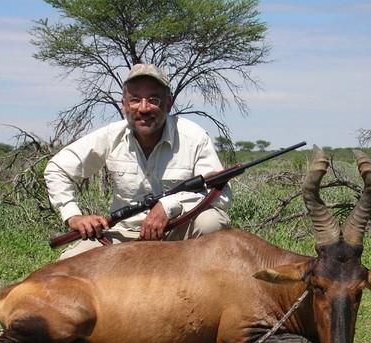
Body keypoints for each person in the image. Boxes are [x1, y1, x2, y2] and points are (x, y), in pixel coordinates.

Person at [44, 63, 232, 259]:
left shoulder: (194, 137)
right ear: (124, 105)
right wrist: (73, 215)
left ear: (168, 104)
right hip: (124, 235)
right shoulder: (111, 136)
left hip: (179, 233)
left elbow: (221, 193)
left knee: (210, 222)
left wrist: (170, 206)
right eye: (135, 100)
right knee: (67, 264)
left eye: (153, 99)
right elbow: (57, 169)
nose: (144, 108)